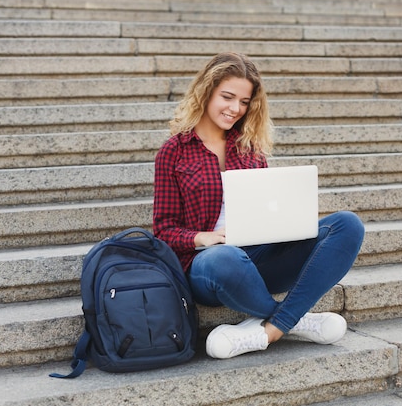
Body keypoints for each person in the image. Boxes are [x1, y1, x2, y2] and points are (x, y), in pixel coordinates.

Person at [153, 52, 365, 359]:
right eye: (227, 97)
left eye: (243, 102)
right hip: (209, 267)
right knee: (224, 257)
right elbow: (163, 230)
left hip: (259, 257)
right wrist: (203, 237)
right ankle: (296, 320)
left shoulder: (250, 150)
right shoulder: (175, 151)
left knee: (347, 224)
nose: (235, 109)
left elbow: (267, 210)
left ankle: (271, 329)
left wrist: (290, 221)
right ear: (206, 91)